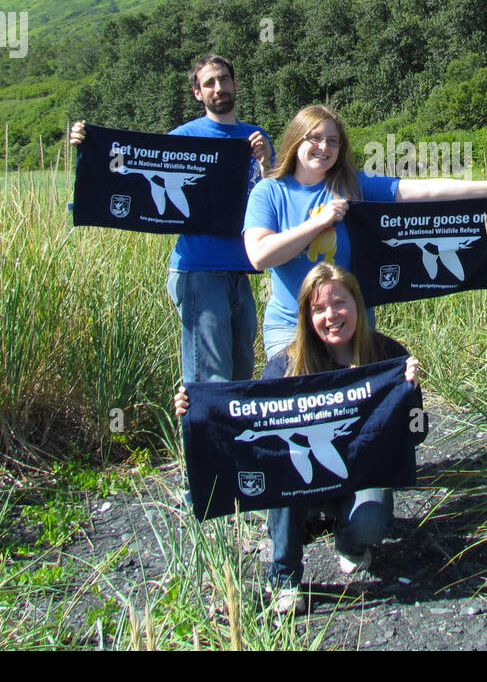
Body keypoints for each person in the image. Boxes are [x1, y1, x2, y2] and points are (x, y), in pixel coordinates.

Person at [175, 262, 420, 614]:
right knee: (282, 468)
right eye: (318, 308)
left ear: (358, 304)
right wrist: (195, 409)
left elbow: (417, 433)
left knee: (371, 519)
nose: (331, 315)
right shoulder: (286, 364)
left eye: (340, 303)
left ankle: (349, 542)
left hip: (357, 475)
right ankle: (284, 575)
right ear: (307, 316)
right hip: (300, 480)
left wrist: (410, 394)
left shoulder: (387, 355)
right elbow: (246, 421)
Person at [242, 103, 487, 358]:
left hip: (350, 324)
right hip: (292, 328)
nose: (324, 148)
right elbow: (259, 256)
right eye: (314, 138)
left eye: (332, 141)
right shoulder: (269, 192)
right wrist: (319, 221)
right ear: (296, 139)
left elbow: (425, 189)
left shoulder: (355, 185)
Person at [70, 54, 275, 384]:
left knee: (241, 378)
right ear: (197, 93)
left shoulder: (255, 138)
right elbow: (136, 165)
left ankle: (229, 437)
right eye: (209, 83)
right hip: (199, 271)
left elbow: (272, 198)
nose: (218, 87)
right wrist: (89, 144)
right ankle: (198, 437)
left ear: (236, 84)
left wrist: (266, 160)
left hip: (242, 272)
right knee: (210, 382)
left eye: (224, 79)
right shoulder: (182, 138)